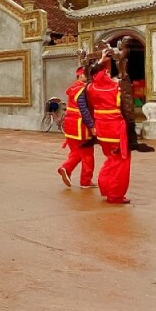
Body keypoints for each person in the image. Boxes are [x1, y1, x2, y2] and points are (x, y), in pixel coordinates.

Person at [86, 50, 131, 204]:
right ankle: (115, 194)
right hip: (115, 128)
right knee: (121, 160)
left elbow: (91, 73)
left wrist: (101, 60)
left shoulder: (91, 88)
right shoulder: (115, 88)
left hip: (102, 128)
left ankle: (105, 184)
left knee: (111, 157)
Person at [57, 67, 97, 189]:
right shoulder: (82, 90)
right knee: (87, 154)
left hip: (70, 126)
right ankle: (84, 180)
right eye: (87, 75)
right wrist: (92, 126)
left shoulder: (73, 88)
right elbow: (84, 110)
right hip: (80, 127)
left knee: (76, 151)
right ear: (80, 76)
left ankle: (67, 169)